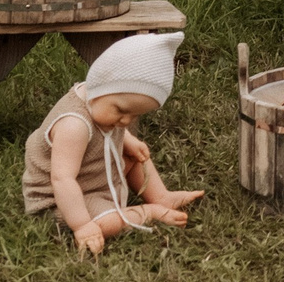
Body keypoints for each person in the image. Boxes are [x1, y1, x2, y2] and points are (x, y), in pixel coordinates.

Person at [22, 30, 204, 256]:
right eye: (121, 111)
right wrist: (81, 226)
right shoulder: (74, 126)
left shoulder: (102, 104)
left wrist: (128, 139)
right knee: (106, 224)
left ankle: (161, 196)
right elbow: (63, 179)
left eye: (135, 116)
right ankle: (148, 211)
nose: (126, 121)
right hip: (60, 199)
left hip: (92, 176)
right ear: (100, 88)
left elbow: (110, 131)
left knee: (137, 157)